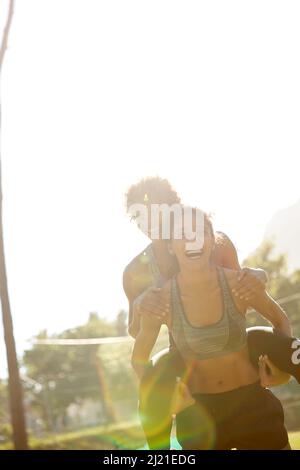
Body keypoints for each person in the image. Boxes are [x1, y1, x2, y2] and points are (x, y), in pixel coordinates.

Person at [123, 176, 300, 449]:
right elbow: (138, 335)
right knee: (153, 383)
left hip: (234, 345)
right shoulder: (137, 271)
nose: (149, 222)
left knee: (269, 341)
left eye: (156, 210)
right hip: (186, 358)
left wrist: (258, 275)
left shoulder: (214, 243)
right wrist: (141, 307)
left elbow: (241, 287)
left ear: (172, 209)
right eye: (140, 216)